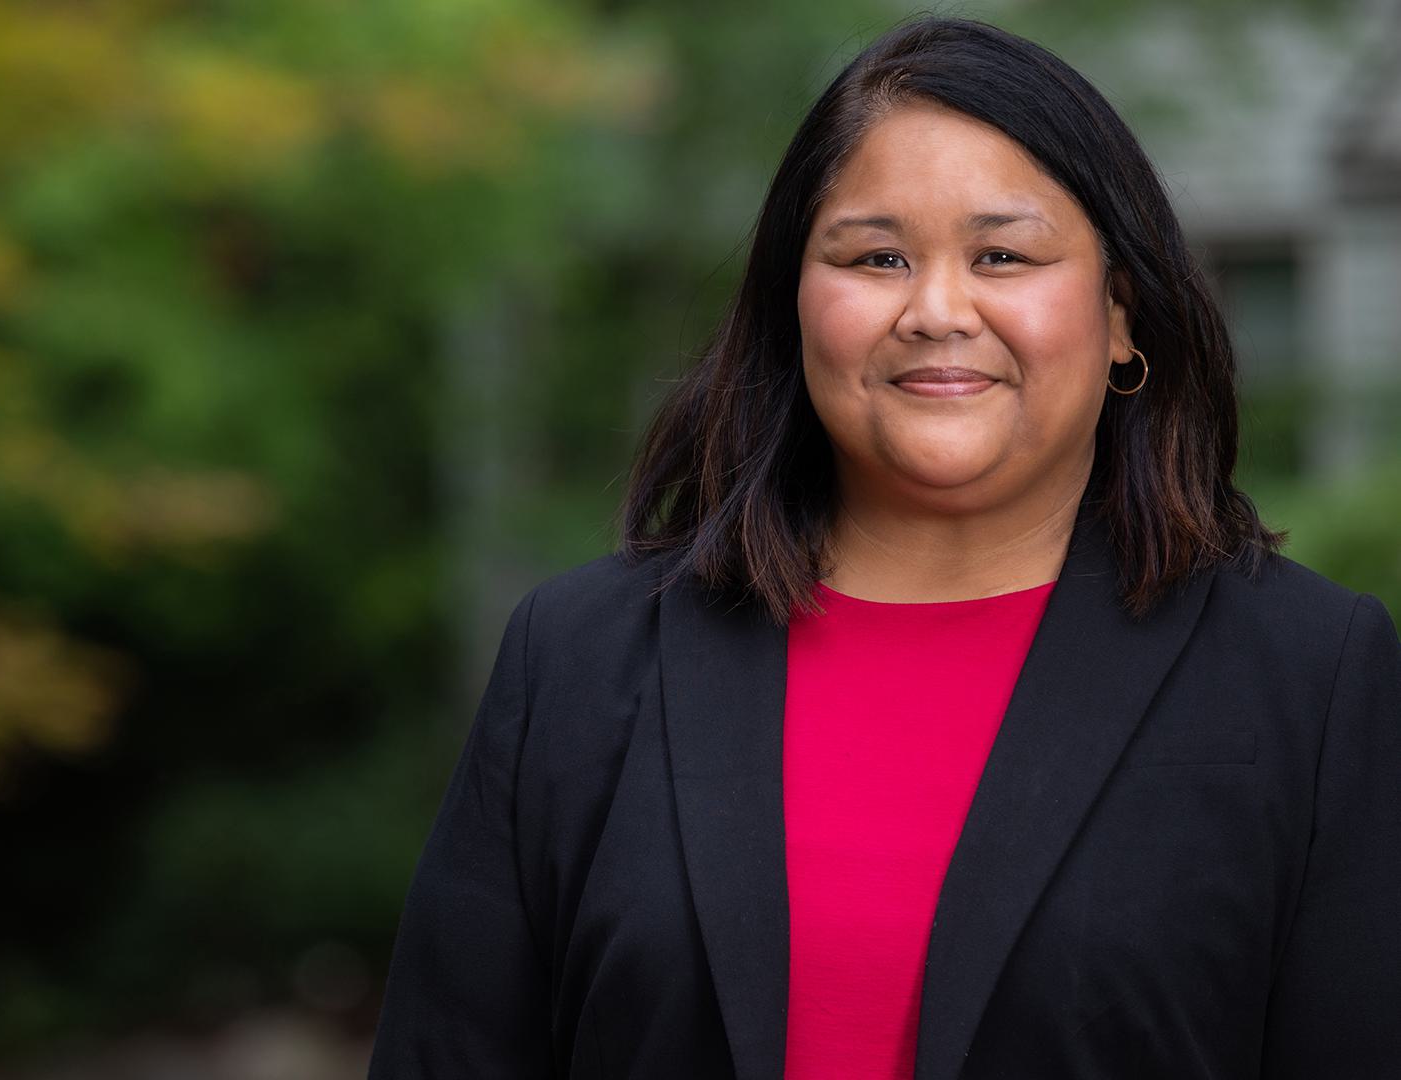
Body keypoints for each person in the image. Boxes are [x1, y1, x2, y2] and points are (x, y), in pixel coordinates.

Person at [369, 16, 1401, 1080]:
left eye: (1003, 254)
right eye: (876, 257)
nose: (937, 309)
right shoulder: (579, 658)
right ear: (795, 305)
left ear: (1123, 314)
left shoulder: (1307, 676)